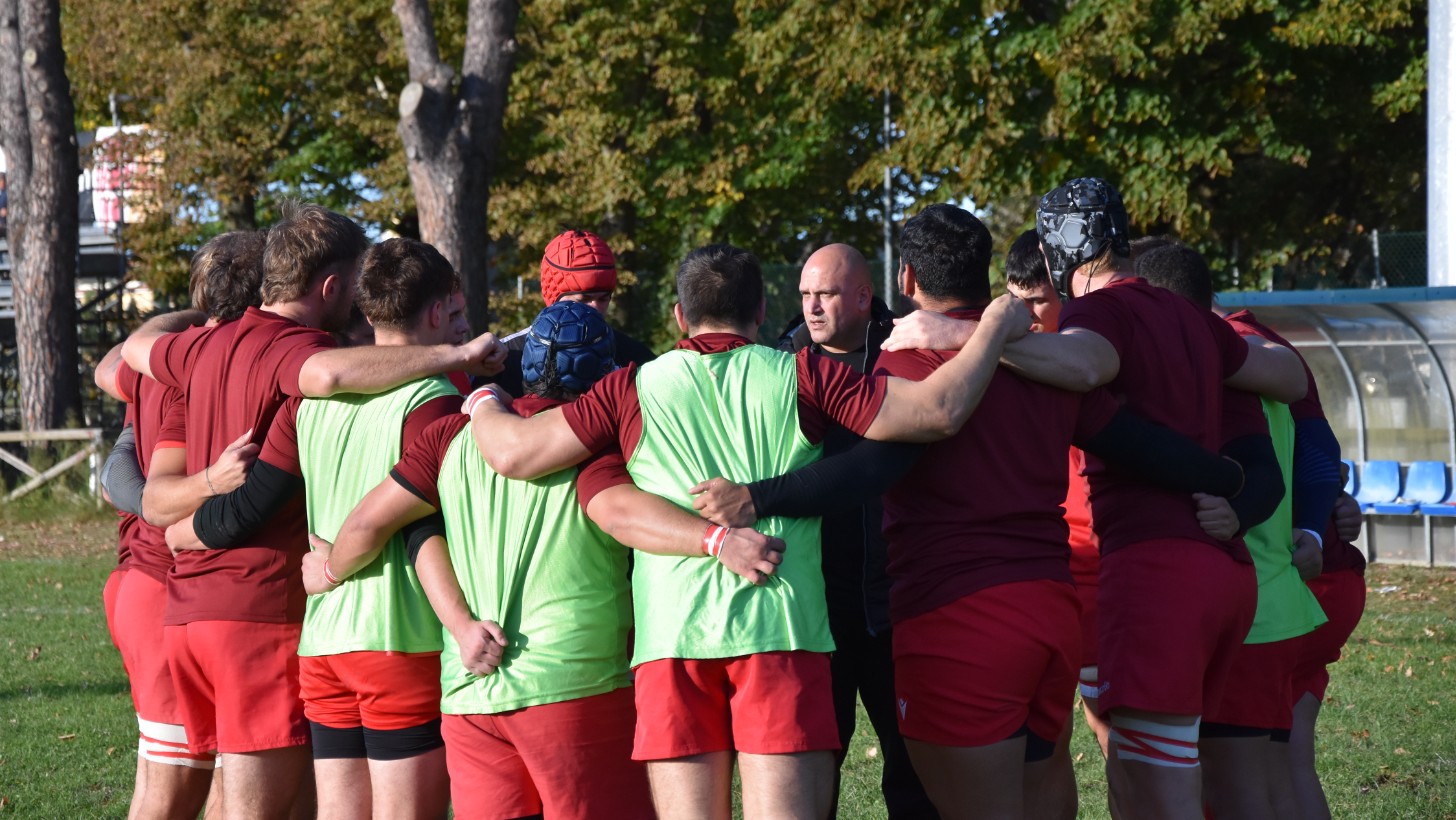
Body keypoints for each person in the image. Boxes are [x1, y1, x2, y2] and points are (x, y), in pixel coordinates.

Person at [466, 243, 1031, 819]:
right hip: (781, 630)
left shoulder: (631, 387)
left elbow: (514, 455)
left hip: (673, 641)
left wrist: (482, 396)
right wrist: (991, 327)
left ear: (679, 318)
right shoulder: (806, 374)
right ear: (762, 309)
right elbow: (939, 411)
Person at [883, 178, 1308, 820]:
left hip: (1154, 571)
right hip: (1225, 574)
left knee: (1152, 795)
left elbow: (1083, 368)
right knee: (1213, 783)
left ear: (1057, 256)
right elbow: (1287, 375)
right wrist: (1228, 484)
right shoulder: (1189, 316)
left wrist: (960, 333)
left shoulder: (1100, 312)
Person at [301, 299, 787, 819]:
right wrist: (714, 540)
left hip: (473, 698)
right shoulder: (593, 445)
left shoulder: (451, 438)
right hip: (577, 687)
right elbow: (618, 511)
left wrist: (330, 571)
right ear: (607, 376)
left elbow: (374, 525)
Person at [116, 203, 506, 818]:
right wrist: (455, 359)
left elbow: (129, 353)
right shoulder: (300, 355)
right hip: (271, 607)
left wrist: (192, 528)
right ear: (330, 286)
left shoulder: (205, 347)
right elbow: (324, 378)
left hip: (194, 614)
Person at [1137, 243, 1334, 819]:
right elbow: (1316, 451)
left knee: (1238, 792)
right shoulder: (1256, 361)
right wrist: (1321, 520)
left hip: (1248, 614)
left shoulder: (1204, 372)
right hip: (1276, 603)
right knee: (1278, 780)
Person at [93, 230, 268, 819]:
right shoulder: (208, 361)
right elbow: (161, 499)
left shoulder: (165, 352)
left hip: (153, 583)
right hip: (165, 579)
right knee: (172, 794)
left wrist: (194, 311)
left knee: (221, 776)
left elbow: (105, 369)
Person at [763, 242, 936, 819]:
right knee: (816, 767)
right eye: (806, 294)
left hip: (898, 603)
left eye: (827, 295)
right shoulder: (780, 363)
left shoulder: (906, 348)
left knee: (913, 772)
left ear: (864, 297)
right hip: (817, 608)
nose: (812, 308)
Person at [494, 229, 655, 396]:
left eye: (603, 299)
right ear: (553, 298)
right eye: (583, 299)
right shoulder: (505, 358)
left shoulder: (636, 361)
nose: (594, 309)